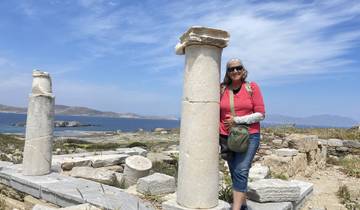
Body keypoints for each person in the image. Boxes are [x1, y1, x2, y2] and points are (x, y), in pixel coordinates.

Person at [219, 58, 265, 210]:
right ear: (227, 72)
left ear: (243, 69)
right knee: (235, 171)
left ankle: (236, 208)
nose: (235, 71)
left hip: (249, 135)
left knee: (241, 170)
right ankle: (243, 204)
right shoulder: (222, 89)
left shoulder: (252, 87)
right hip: (226, 136)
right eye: (231, 69)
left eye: (238, 68)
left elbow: (260, 114)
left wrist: (237, 120)